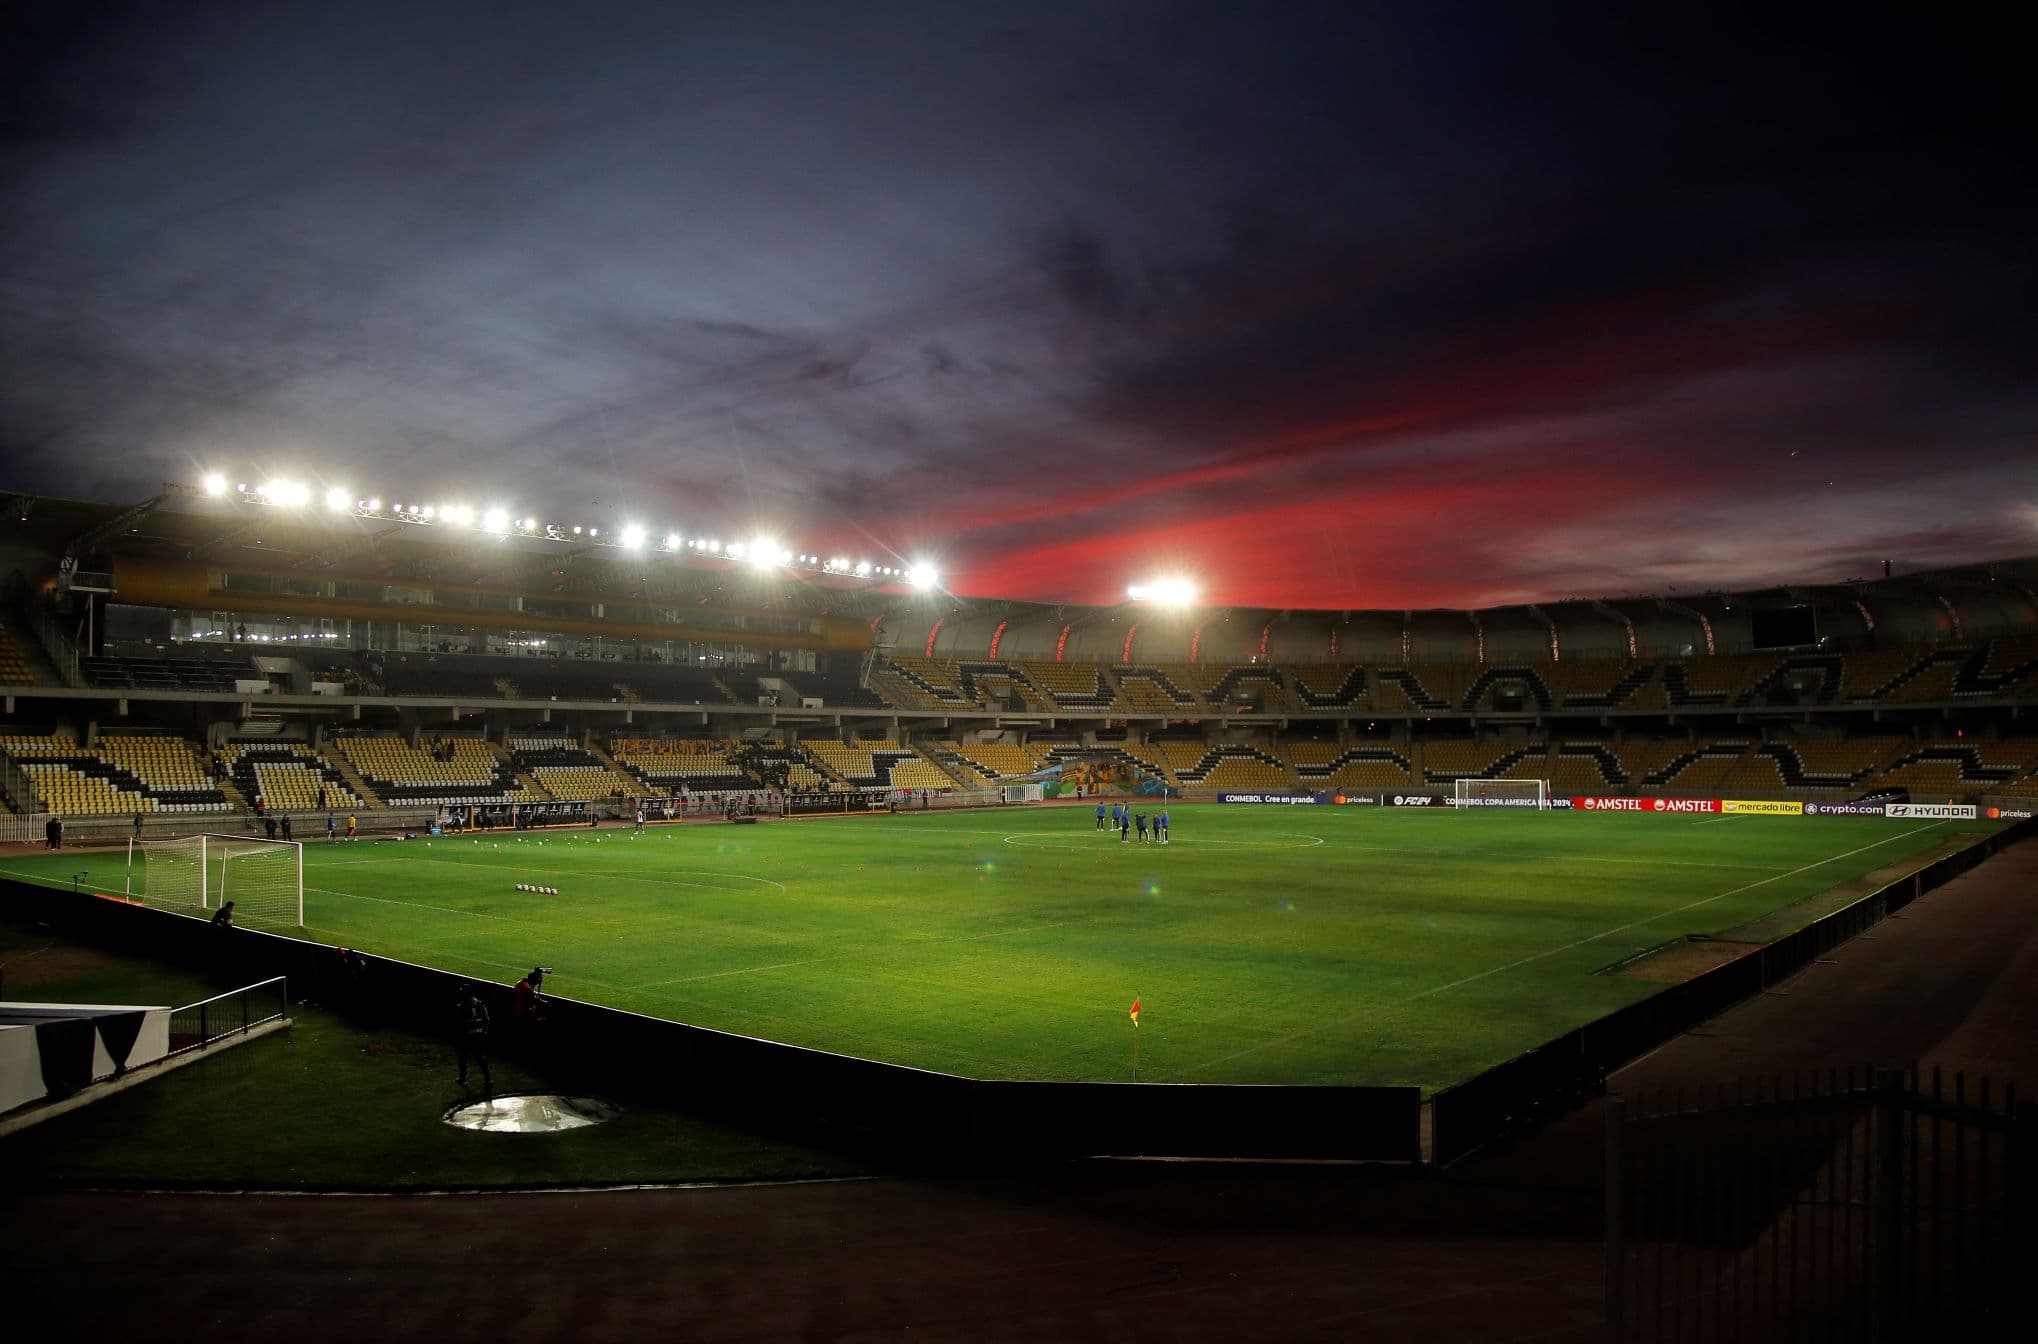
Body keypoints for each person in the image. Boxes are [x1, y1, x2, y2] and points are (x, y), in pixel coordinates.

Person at [454, 982, 492, 1091]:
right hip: (475, 1034)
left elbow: (459, 1022)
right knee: (476, 1058)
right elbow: (486, 1020)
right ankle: (487, 1080)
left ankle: (464, 1077)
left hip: (471, 1035)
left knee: (468, 1057)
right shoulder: (478, 1004)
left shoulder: (463, 1006)